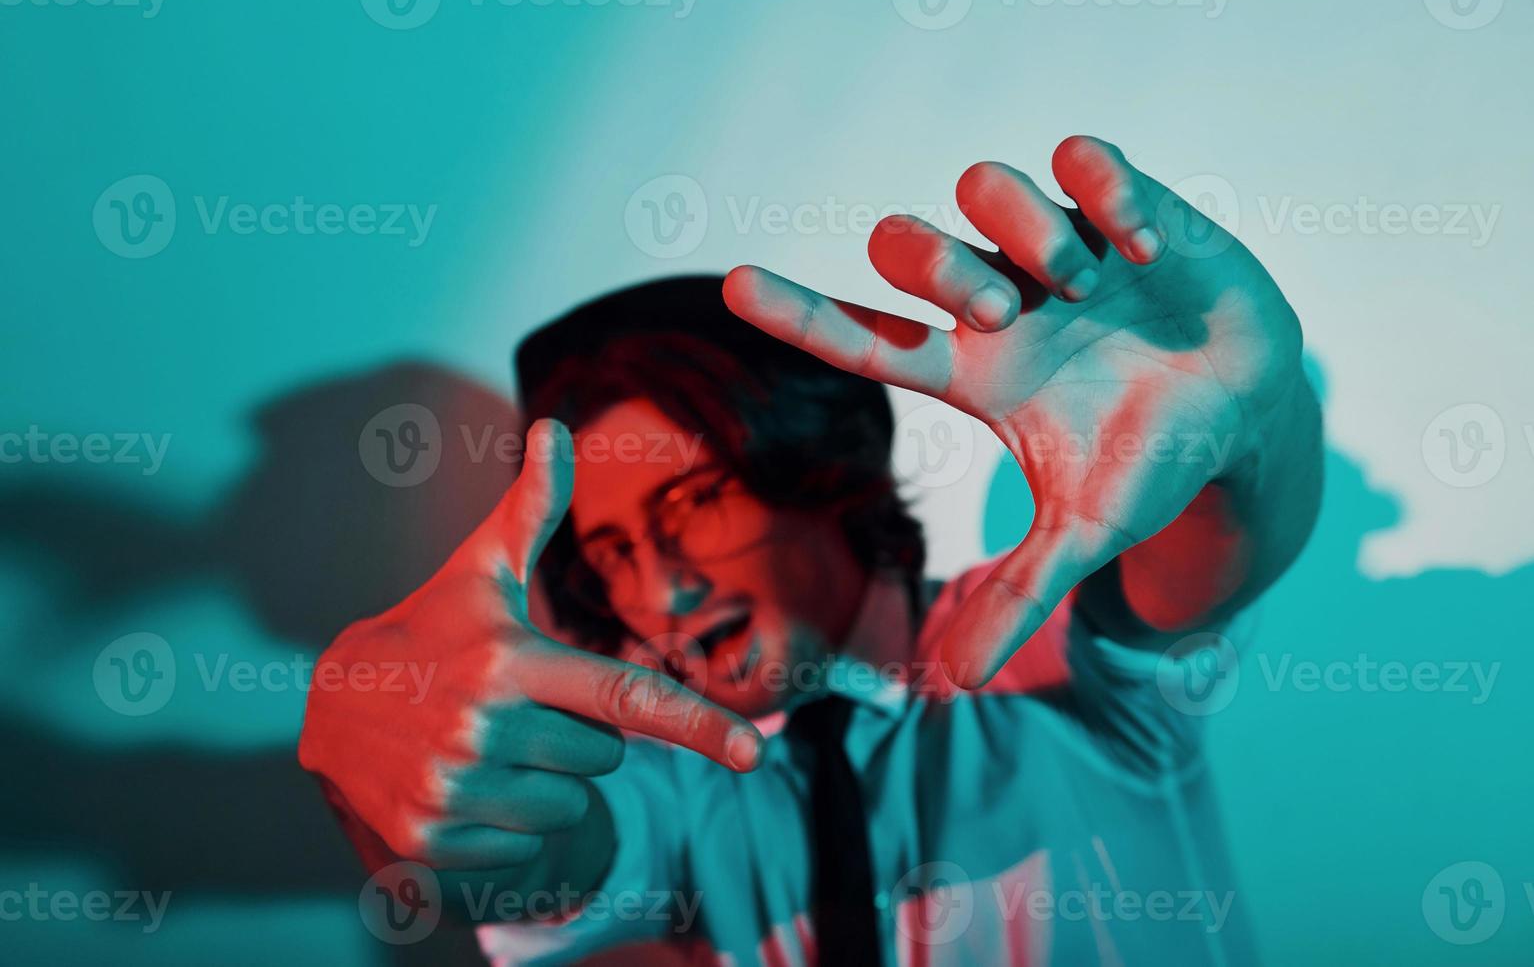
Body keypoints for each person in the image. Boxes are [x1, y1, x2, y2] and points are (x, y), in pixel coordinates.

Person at [298, 135, 1322, 965]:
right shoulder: (675, 781)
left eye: (693, 499)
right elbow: (536, 861)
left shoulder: (1045, 652)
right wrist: (404, 801)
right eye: (608, 547)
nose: (659, 587)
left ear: (824, 464)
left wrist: (1245, 439)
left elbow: (1205, 558)